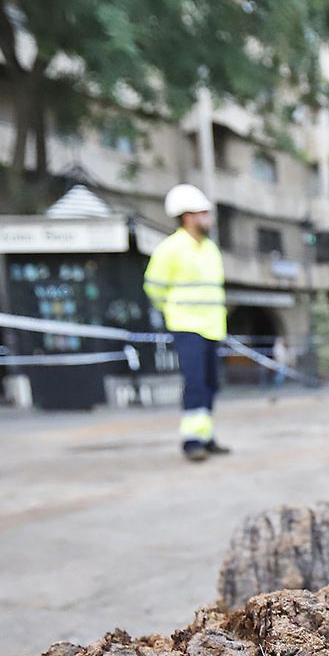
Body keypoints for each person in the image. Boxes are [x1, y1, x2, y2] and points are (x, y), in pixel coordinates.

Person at [144, 184, 229, 461]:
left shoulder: (210, 249)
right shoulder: (171, 249)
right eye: (204, 212)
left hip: (213, 326)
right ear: (187, 216)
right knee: (194, 382)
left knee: (209, 383)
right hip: (187, 326)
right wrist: (172, 311)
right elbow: (154, 287)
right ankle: (192, 441)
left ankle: (205, 435)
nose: (209, 218)